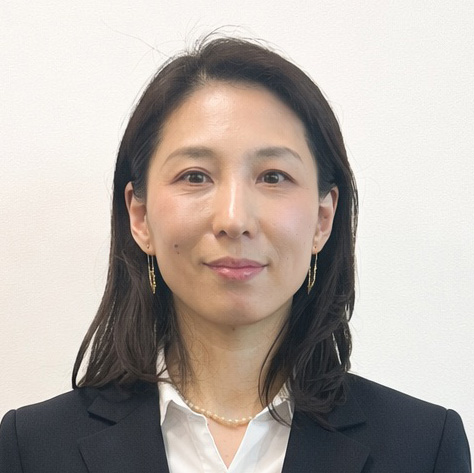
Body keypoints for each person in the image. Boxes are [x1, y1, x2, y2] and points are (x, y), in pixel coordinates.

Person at [0, 36, 470, 473]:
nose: (233, 218)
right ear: (139, 216)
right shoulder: (32, 447)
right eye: (195, 176)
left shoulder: (422, 447)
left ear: (322, 219)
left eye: (273, 177)